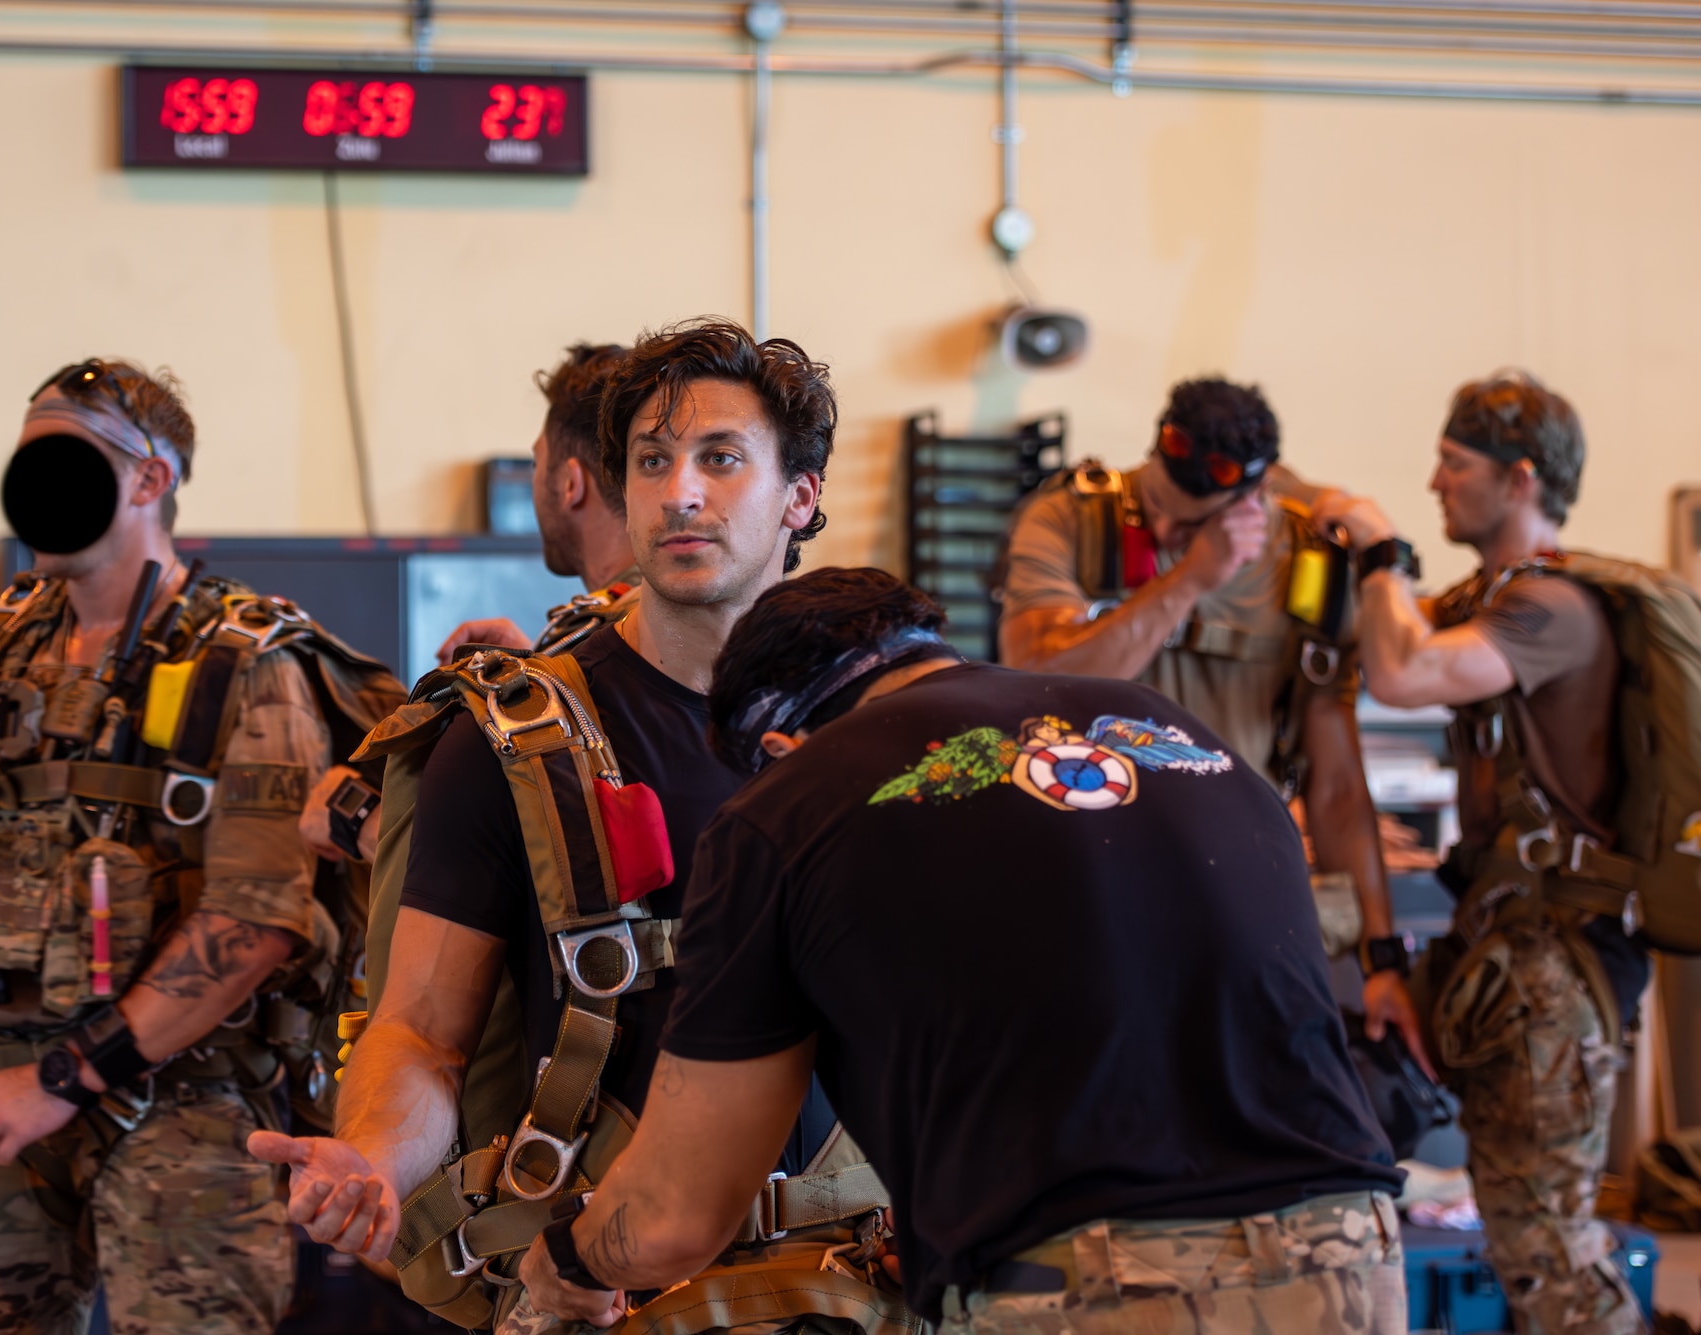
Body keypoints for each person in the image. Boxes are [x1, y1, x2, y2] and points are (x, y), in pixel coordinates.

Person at [514, 565, 1407, 1335]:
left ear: (778, 746)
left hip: (1089, 1283)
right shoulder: (1176, 734)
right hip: (1352, 1250)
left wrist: (573, 1256)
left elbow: (677, 1216)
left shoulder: (784, 806)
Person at [249, 320, 902, 1334]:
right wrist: (370, 1158)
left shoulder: (882, 731)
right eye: (651, 461)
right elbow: (421, 1030)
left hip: (849, 1280)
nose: (679, 490)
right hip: (592, 1285)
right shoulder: (509, 743)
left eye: (720, 459)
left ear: (800, 498)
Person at [0, 359, 405, 1335]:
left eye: (69, 458)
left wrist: (60, 1083)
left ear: (150, 478)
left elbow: (255, 923)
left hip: (185, 1102)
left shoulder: (249, 664)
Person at [1315, 371, 1647, 1335]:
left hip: (1556, 975)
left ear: (1522, 478)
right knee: (1517, 1241)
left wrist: (1382, 549)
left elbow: (1408, 670)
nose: (1435, 481)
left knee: (1550, 1252)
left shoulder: (1555, 607)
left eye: (1455, 465)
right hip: (1501, 958)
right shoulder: (1491, 596)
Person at [999, 377, 1426, 1070]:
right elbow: (1039, 675)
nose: (1163, 534)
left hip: (1238, 894)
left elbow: (1339, 785)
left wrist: (1382, 957)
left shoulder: (1305, 565)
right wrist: (1189, 578)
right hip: (1093, 882)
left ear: (1248, 505)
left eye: (1191, 524)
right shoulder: (1071, 518)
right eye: (1157, 507)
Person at [298, 341, 634, 867]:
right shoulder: (646, 625)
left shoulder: (609, 638)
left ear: (569, 483)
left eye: (537, 463)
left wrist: (358, 820)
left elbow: (531, 873)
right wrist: (542, 670)